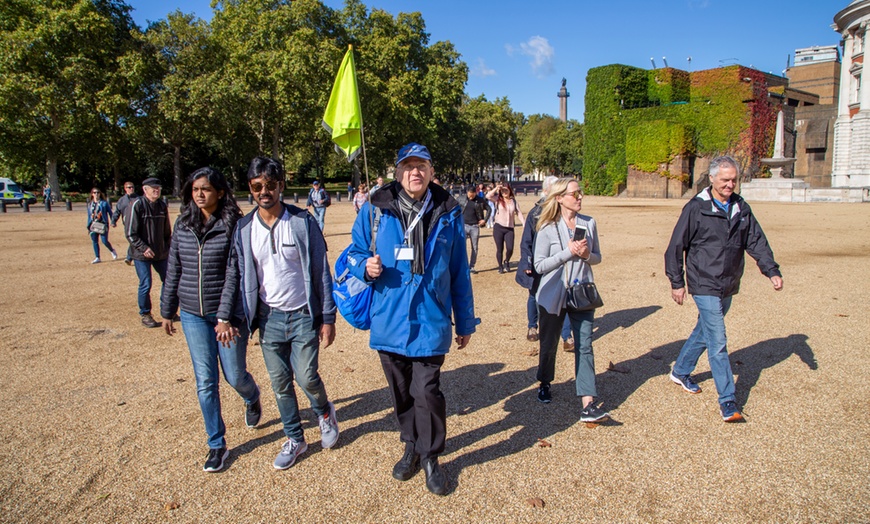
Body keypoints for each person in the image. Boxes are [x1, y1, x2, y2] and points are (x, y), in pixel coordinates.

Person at [345, 142, 478, 496]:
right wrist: (364, 266)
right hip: (388, 318)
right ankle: (410, 445)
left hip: (430, 318)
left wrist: (465, 321)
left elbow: (459, 272)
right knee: (401, 392)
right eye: (408, 166)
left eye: (422, 166)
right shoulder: (374, 210)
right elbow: (354, 252)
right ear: (397, 171)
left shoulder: (448, 212)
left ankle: (431, 455)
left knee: (427, 391)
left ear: (432, 172)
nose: (414, 172)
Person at [223, 156, 340, 470]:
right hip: (269, 318)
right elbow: (237, 274)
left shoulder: (302, 222)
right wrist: (229, 316)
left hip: (303, 315)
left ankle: (325, 411)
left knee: (306, 376)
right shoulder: (244, 228)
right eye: (258, 186)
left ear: (281, 187)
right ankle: (295, 438)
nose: (265, 191)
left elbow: (321, 273)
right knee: (280, 383)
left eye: (271, 185)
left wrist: (328, 317)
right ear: (250, 187)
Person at [665, 156, 783, 423]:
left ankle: (681, 370)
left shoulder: (741, 207)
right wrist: (677, 282)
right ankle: (728, 400)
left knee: (705, 331)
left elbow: (756, 241)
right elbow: (675, 246)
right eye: (725, 180)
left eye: (733, 180)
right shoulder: (696, 208)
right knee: (718, 341)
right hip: (704, 281)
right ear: (712, 179)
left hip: (728, 282)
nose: (730, 184)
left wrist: (771, 270)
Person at [159, 167, 262, 473]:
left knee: (234, 375)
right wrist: (167, 309)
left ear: (219, 192)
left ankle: (252, 396)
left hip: (228, 315)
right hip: (193, 314)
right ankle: (216, 444)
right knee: (206, 381)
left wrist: (225, 316)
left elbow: (235, 272)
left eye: (205, 189)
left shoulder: (235, 224)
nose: (200, 194)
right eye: (195, 189)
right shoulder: (183, 223)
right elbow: (173, 267)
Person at [533, 177, 609, 422]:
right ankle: (545, 381)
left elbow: (597, 257)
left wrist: (587, 254)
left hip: (582, 292)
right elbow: (539, 265)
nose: (580, 197)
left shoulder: (589, 223)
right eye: (575, 194)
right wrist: (567, 252)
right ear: (559, 198)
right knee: (549, 343)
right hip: (552, 294)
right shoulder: (546, 227)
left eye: (580, 193)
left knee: (584, 344)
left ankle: (588, 402)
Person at [517, 176, 572, 346]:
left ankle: (566, 336)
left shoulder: (563, 211)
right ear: (548, 191)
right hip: (538, 262)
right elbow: (526, 240)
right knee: (534, 295)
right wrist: (527, 263)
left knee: (565, 296)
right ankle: (532, 326)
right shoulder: (536, 213)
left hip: (560, 262)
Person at [127, 177, 171, 328]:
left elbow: (167, 231)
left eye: (158, 188)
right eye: (153, 188)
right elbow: (130, 233)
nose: (156, 190)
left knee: (169, 280)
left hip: (161, 253)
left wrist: (169, 248)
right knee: (146, 283)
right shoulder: (137, 205)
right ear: (145, 190)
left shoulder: (162, 206)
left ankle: (167, 310)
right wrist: (143, 248)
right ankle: (145, 314)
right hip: (141, 254)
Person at [486, 182, 525, 274]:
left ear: (510, 190)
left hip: (509, 228)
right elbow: (488, 196)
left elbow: (519, 213)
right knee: (500, 249)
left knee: (510, 248)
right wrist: (496, 188)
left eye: (506, 190)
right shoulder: (498, 200)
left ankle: (506, 261)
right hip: (499, 227)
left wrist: (524, 223)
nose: (504, 192)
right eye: (502, 190)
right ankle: (500, 266)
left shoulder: (514, 201)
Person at [456, 184, 491, 273]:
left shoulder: (480, 200)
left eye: (472, 195)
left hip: (475, 226)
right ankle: (462, 266)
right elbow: (454, 208)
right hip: (463, 225)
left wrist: (484, 220)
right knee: (461, 246)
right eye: (469, 195)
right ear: (467, 192)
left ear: (475, 193)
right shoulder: (461, 199)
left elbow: (489, 209)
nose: (470, 197)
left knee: (474, 247)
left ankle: (471, 266)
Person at [86, 188, 117, 264]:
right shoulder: (90, 204)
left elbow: (110, 213)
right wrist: (88, 226)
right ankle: (97, 257)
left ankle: (112, 250)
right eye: (95, 192)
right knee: (95, 241)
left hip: (102, 224)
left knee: (104, 241)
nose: (96, 194)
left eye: (98, 192)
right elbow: (89, 216)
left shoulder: (104, 203)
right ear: (92, 194)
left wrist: (113, 221)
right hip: (93, 225)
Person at [112, 181, 139, 266]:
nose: (131, 189)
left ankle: (129, 257)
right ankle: (131, 256)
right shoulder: (122, 200)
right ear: (125, 189)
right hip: (127, 224)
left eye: (132, 187)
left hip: (138, 223)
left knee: (134, 239)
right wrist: (113, 221)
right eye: (129, 187)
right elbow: (117, 212)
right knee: (131, 240)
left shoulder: (139, 199)